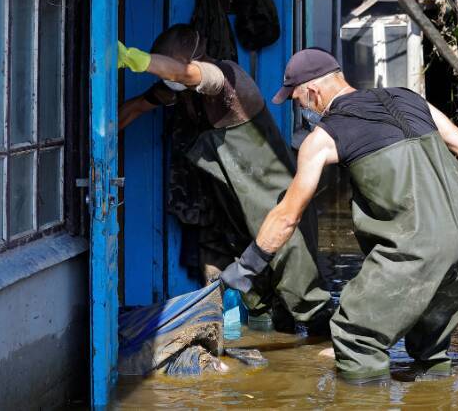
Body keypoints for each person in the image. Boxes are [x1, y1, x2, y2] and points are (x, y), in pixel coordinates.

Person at [220, 48, 458, 383]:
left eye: (297, 99)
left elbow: (288, 215)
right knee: (430, 351)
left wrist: (246, 268)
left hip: (416, 250)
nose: (300, 107)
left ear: (312, 92)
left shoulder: (325, 136)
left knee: (355, 337)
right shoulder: (411, 99)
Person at [117, 25, 331, 332]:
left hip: (274, 196)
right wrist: (98, 137)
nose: (167, 79)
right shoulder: (178, 92)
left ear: (195, 59)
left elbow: (187, 75)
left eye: (171, 69)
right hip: (234, 202)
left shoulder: (225, 78)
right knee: (257, 298)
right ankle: (270, 352)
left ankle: (327, 352)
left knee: (298, 278)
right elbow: (136, 107)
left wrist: (137, 59)